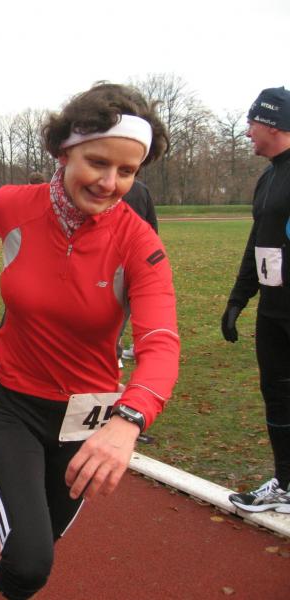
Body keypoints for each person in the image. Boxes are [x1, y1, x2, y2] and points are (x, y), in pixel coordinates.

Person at [0, 82, 178, 600]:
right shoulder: (15, 205)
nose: (109, 183)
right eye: (97, 162)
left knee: (28, 560)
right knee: (31, 559)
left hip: (85, 417)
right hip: (11, 404)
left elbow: (161, 342)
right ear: (64, 151)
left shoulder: (139, 244)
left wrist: (129, 420)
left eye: (126, 171)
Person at [222, 86, 290, 514]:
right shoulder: (268, 177)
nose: (247, 132)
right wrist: (239, 299)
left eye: (251, 124)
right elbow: (258, 243)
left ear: (272, 124)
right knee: (277, 395)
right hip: (273, 311)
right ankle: (285, 483)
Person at [119, 178, 159, 361]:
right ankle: (137, 345)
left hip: (119, 251)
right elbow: (152, 224)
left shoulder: (110, 187)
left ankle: (115, 346)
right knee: (137, 302)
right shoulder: (142, 189)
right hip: (139, 252)